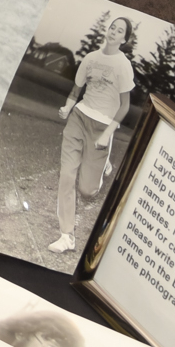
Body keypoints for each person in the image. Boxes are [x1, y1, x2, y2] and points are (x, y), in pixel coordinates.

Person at [49, 17, 136, 255]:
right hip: (79, 118)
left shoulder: (123, 65)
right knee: (67, 175)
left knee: (87, 191)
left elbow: (125, 106)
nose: (114, 32)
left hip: (102, 127)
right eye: (112, 27)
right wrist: (68, 108)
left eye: (120, 31)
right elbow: (76, 90)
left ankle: (103, 160)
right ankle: (67, 236)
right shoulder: (90, 58)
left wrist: (108, 134)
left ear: (124, 39)